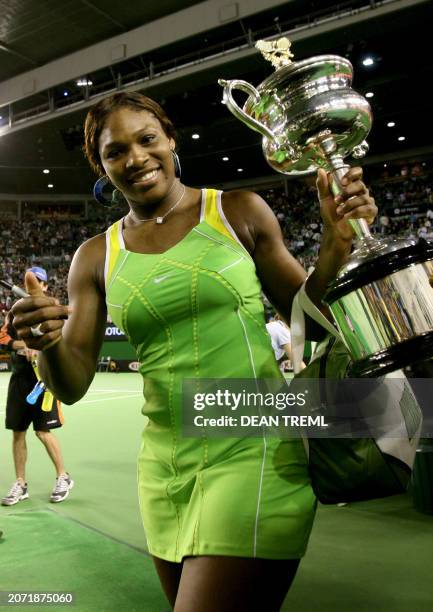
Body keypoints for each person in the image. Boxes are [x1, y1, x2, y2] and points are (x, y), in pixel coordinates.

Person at [10, 92, 377, 611]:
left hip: (256, 446)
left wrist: (335, 247)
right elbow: (70, 382)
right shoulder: (94, 256)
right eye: (116, 152)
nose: (136, 158)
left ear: (170, 139)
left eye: (147, 139)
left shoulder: (237, 211)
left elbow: (310, 324)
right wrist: (46, 342)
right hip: (164, 465)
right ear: (102, 166)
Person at [1, 267, 73, 506]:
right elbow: (3, 338)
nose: (34, 285)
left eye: (38, 282)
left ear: (45, 287)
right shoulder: (14, 313)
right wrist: (22, 345)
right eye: (29, 281)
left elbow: (64, 340)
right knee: (17, 432)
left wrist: (42, 347)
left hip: (44, 381)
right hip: (20, 380)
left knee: (43, 432)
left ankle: (63, 476)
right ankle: (20, 484)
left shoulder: (53, 311)